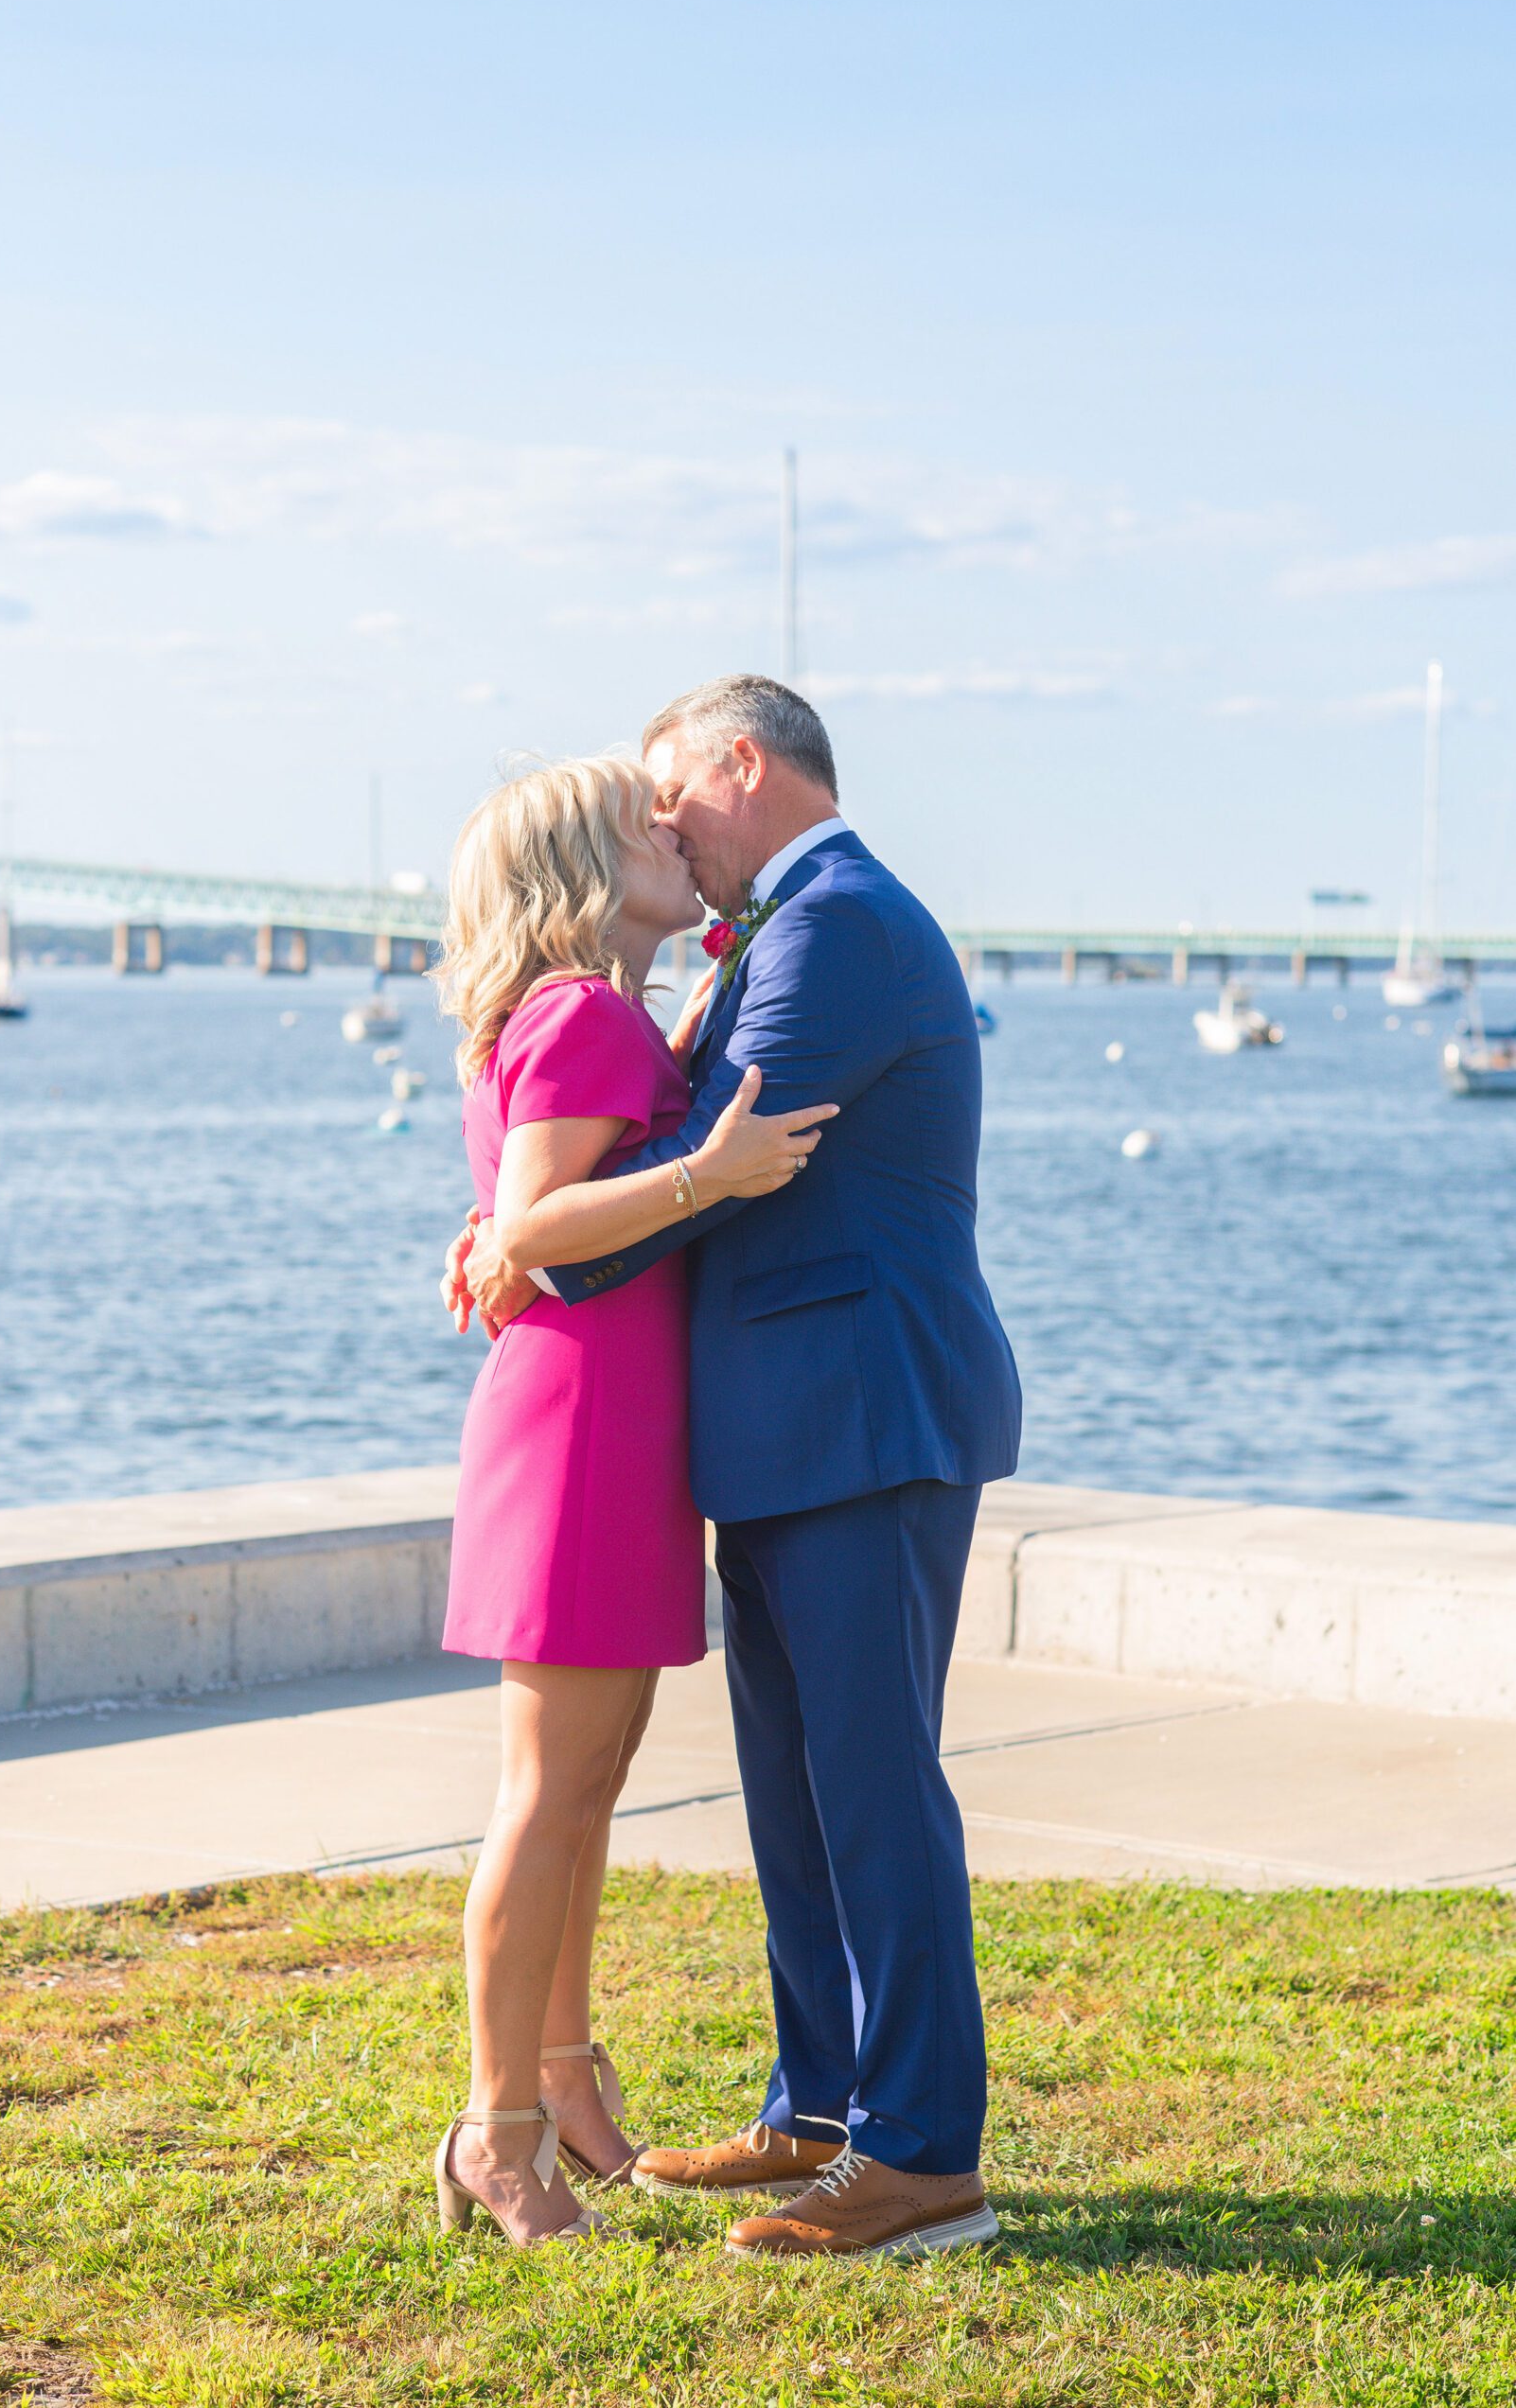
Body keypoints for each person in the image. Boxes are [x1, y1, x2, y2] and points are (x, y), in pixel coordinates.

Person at [446, 677, 1023, 2260]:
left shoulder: (834, 923)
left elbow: (717, 1146)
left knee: (872, 1779)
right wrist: (525, 1219)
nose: (664, 833)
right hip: (779, 1425)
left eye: (668, 799)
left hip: (860, 1411)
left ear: (738, 767)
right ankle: (822, 2109)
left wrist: (529, 1243)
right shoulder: (781, 931)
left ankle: (918, 2158)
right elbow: (652, 1143)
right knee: (797, 1784)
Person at [430, 754, 837, 2249]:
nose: (674, 831)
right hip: (583, 1429)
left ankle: (563, 2078)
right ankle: (501, 2136)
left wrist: (506, 1229)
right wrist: (715, 1173)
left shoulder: (585, 1011)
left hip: (606, 1422)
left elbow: (516, 1214)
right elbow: (540, 1219)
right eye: (640, 824)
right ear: (582, 873)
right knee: (547, 1800)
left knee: (584, 1791)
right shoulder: (585, 1010)